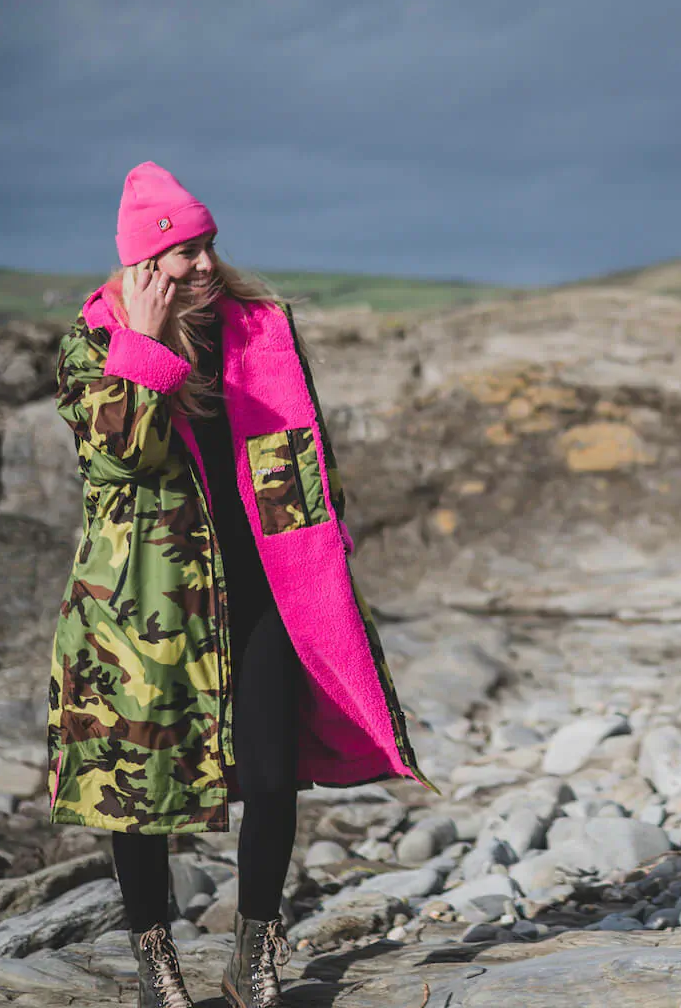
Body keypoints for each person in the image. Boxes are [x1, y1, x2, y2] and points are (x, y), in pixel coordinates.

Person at [48, 161, 439, 1008]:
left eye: (206, 248)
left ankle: (254, 955)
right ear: (142, 262)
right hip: (141, 602)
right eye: (181, 252)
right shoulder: (91, 341)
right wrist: (144, 347)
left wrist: (325, 546)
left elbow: (301, 447)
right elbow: (123, 458)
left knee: (270, 772)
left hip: (263, 587)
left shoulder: (258, 327)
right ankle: (156, 965)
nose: (199, 266)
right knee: (138, 790)